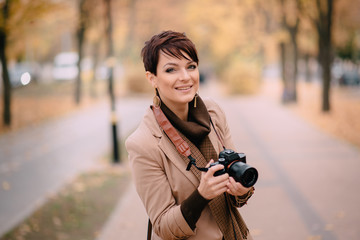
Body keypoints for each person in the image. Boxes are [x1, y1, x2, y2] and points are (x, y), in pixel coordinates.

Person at [125, 30, 255, 240]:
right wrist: (201, 195)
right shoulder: (142, 143)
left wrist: (241, 190)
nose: (185, 77)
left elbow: (236, 181)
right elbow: (163, 227)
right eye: (171, 69)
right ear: (152, 78)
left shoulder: (213, 114)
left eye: (191, 66)